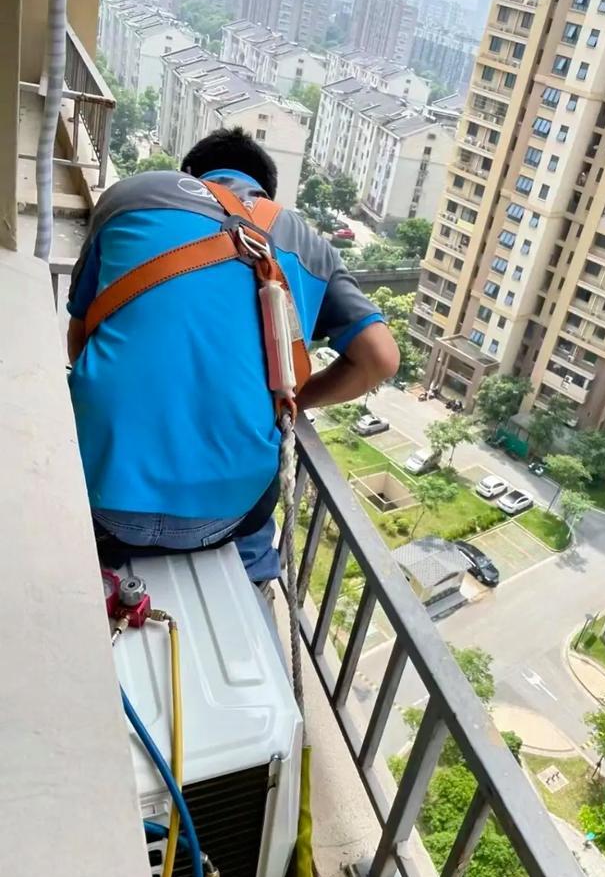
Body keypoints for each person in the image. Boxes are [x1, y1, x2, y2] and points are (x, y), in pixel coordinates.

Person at [67, 127, 398, 580]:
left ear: (191, 174)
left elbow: (80, 338)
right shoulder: (309, 244)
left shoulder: (132, 195)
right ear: (265, 194)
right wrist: (293, 402)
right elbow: (380, 358)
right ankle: (255, 581)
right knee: (257, 533)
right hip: (223, 517)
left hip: (94, 492)